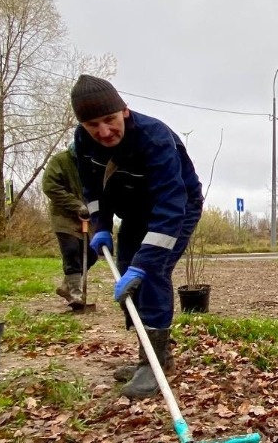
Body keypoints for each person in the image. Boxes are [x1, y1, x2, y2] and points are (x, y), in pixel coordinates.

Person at [71, 75, 204, 399]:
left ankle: (154, 365)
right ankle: (153, 358)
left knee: (151, 271)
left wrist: (145, 263)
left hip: (177, 208)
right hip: (134, 212)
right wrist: (101, 224)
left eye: (109, 120)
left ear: (124, 112)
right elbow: (91, 190)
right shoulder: (83, 142)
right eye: (93, 125)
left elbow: (171, 203)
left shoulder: (154, 138)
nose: (103, 132)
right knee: (128, 270)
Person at [42, 144, 94, 310]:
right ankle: (76, 294)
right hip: (63, 215)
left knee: (91, 254)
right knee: (71, 251)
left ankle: (67, 286)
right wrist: (75, 205)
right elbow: (50, 187)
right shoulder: (59, 161)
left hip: (88, 216)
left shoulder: (94, 161)